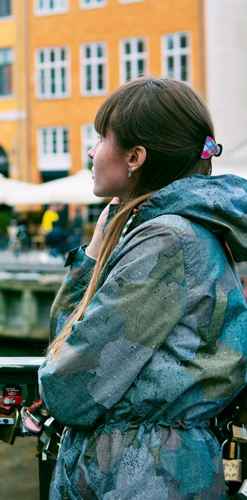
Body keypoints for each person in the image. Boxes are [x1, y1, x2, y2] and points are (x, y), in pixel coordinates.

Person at [39, 77, 247, 499]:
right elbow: (67, 339)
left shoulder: (166, 241)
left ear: (135, 157)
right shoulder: (168, 230)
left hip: (144, 477)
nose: (92, 151)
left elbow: (68, 388)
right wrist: (95, 252)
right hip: (148, 471)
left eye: (102, 138)